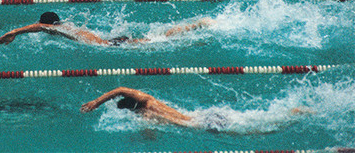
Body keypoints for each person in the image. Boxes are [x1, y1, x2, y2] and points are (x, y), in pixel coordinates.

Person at [80, 87, 312, 132]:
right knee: (260, 121)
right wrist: (96, 102)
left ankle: (297, 113)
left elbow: (120, 89)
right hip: (205, 116)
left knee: (263, 130)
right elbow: (119, 90)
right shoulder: (148, 105)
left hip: (204, 124)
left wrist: (95, 104)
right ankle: (295, 112)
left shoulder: (145, 106)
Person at [0, 12, 214, 46]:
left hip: (109, 44)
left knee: (160, 41)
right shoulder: (67, 26)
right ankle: (193, 27)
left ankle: (194, 28)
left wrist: (14, 32)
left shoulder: (55, 29)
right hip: (111, 39)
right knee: (153, 39)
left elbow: (40, 26)